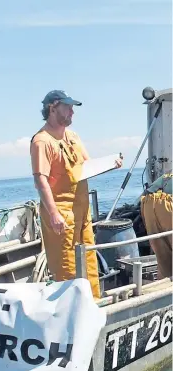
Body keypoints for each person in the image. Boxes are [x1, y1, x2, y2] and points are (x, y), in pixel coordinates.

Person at [30, 90, 122, 299]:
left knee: (89, 258)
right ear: (53, 108)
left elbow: (87, 165)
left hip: (82, 210)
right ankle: (69, 311)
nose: (72, 112)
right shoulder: (42, 141)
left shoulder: (73, 136)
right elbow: (40, 180)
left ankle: (94, 303)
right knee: (67, 265)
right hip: (61, 211)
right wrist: (53, 214)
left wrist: (110, 164)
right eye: (68, 107)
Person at [141, 171, 173, 279]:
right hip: (169, 205)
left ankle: (163, 291)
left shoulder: (168, 174)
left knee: (163, 261)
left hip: (148, 202)